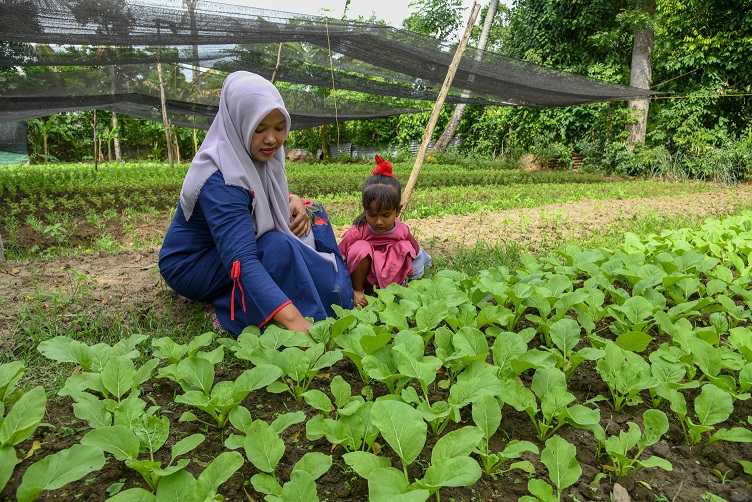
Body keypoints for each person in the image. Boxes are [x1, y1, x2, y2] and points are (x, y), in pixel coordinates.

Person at [158, 71, 354, 336]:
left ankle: (320, 291)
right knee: (277, 248)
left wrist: (292, 200)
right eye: (259, 129)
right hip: (194, 265)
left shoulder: (256, 155)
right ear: (239, 124)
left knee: (313, 214)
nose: (271, 139)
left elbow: (259, 199)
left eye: (279, 127)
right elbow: (242, 259)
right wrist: (296, 322)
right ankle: (228, 310)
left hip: (230, 245)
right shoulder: (222, 181)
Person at [338, 155, 432, 307]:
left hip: (391, 274)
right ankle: (357, 291)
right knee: (359, 248)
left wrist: (419, 273)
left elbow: (416, 252)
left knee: (403, 246)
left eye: (386, 215)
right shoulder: (358, 231)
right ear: (365, 210)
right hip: (366, 278)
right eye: (372, 215)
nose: (379, 222)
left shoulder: (402, 230)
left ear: (398, 210)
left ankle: (396, 289)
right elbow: (340, 255)